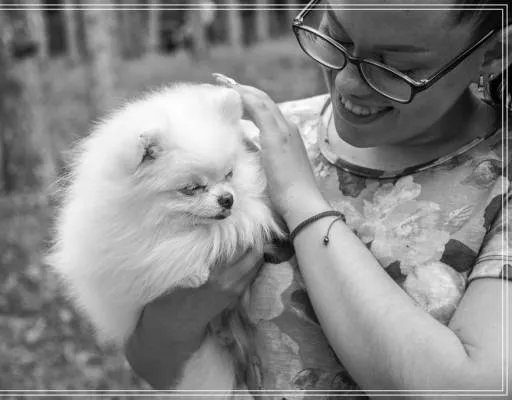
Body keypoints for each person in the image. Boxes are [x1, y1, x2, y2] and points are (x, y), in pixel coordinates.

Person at [126, 0, 511, 397]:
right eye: (336, 37)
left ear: (494, 53)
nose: (348, 83)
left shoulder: (499, 182)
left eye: (399, 67)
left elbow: (468, 390)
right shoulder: (249, 147)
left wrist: (300, 198)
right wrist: (182, 312)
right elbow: (154, 365)